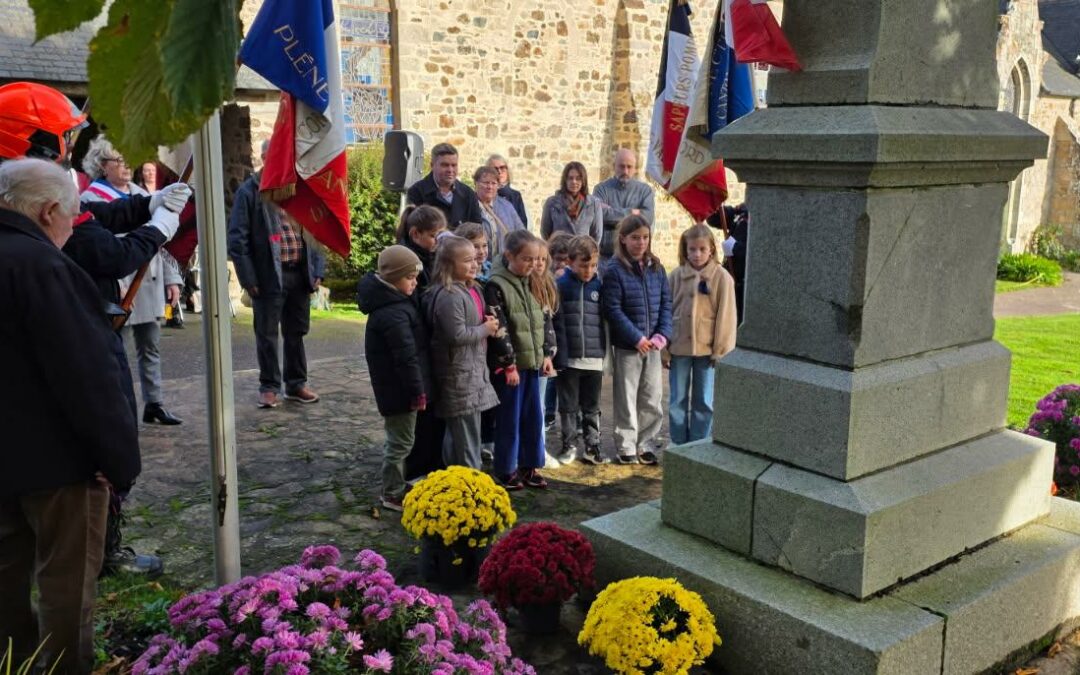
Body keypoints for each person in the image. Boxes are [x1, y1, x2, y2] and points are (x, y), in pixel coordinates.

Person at [0, 158, 141, 674]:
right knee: (65, 586)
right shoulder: (45, 267)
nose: (73, 225)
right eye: (73, 215)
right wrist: (118, 461)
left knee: (5, 582)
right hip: (59, 463)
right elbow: (87, 375)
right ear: (48, 210)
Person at [81, 137, 184, 426]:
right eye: (119, 160)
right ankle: (120, 408)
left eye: (129, 159)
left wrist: (172, 278)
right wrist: (117, 284)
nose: (127, 166)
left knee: (151, 346)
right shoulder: (91, 199)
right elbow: (102, 250)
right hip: (122, 283)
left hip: (148, 280)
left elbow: (159, 243)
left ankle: (155, 403)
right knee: (118, 351)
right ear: (103, 167)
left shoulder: (141, 195)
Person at [228, 140, 326, 409]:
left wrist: (318, 269)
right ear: (262, 158)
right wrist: (248, 279)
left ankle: (296, 384)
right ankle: (269, 386)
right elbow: (238, 240)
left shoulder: (300, 189)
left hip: (299, 273)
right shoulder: (250, 192)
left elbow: (316, 229)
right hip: (268, 275)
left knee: (296, 332)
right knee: (267, 333)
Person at [356, 245, 430, 512]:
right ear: (393, 278)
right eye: (410, 277)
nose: (415, 282)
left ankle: (397, 485)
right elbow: (406, 357)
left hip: (399, 389)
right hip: (398, 391)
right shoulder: (392, 314)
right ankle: (392, 492)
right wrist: (417, 391)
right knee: (400, 443)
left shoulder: (397, 303)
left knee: (402, 439)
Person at [486, 230, 556, 490]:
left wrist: (547, 354)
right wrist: (509, 364)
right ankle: (506, 469)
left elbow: (545, 318)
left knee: (532, 417)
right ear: (509, 256)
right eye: (527, 259)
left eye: (537, 259)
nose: (533, 264)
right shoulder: (496, 285)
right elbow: (499, 328)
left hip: (534, 363)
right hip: (511, 369)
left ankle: (530, 465)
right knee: (509, 419)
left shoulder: (533, 281)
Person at [424, 235, 501, 469]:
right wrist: (484, 329)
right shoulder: (449, 295)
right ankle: (470, 485)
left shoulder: (469, 289)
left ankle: (458, 478)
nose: (475, 264)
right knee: (465, 437)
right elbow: (456, 335)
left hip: (471, 373)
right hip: (459, 374)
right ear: (449, 265)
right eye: (467, 260)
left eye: (475, 259)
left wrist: (485, 324)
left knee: (463, 431)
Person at [602, 215, 672, 466]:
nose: (641, 242)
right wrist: (636, 338)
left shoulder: (657, 267)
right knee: (627, 398)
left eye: (645, 237)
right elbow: (612, 308)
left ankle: (645, 442)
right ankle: (626, 444)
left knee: (652, 397)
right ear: (623, 238)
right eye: (634, 238)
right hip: (629, 346)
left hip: (654, 345)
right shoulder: (614, 269)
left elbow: (666, 303)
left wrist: (661, 335)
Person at [664, 225, 737, 445]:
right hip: (679, 348)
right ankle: (678, 443)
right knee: (677, 399)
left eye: (702, 249)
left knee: (704, 400)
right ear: (685, 250)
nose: (697, 254)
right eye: (692, 249)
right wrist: (664, 349)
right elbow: (665, 311)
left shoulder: (722, 278)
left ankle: (698, 444)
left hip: (708, 351)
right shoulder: (676, 276)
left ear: (711, 250)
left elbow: (727, 316)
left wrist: (721, 350)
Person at [552, 235, 607, 465]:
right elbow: (556, 321)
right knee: (568, 406)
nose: (589, 270)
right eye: (584, 265)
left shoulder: (600, 285)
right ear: (570, 262)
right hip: (570, 359)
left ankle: (592, 445)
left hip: (594, 358)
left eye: (593, 265)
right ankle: (569, 444)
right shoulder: (561, 286)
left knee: (591, 406)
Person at [594, 149, 655, 259]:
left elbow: (647, 218)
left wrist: (612, 211)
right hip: (607, 257)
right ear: (614, 166)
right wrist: (633, 213)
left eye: (629, 167)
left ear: (635, 168)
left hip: (636, 258)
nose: (625, 171)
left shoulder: (645, 191)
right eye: (621, 166)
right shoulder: (601, 189)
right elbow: (601, 215)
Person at [406, 143, 483, 229]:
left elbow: (477, 229)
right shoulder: (416, 192)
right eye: (445, 165)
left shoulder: (468, 194)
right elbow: (412, 230)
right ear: (432, 165)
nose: (450, 170)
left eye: (454, 165)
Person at [540, 161, 603, 243]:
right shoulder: (552, 203)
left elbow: (596, 235)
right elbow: (545, 232)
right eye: (570, 178)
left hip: (583, 252)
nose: (574, 181)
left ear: (583, 181)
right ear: (565, 180)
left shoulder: (593, 204)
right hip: (559, 253)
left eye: (578, 178)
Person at [474, 165, 524, 258]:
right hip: (478, 262)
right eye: (485, 183)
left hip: (503, 262)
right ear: (476, 183)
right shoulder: (470, 205)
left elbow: (521, 232)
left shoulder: (506, 206)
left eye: (493, 183)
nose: (490, 187)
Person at [397, 204, 446, 290]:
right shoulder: (410, 264)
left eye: (441, 235)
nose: (438, 240)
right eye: (433, 236)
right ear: (415, 234)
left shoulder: (430, 255)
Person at [487, 153, 528, 226]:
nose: (499, 171)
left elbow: (523, 223)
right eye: (495, 169)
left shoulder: (515, 196)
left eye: (502, 168)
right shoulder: (484, 194)